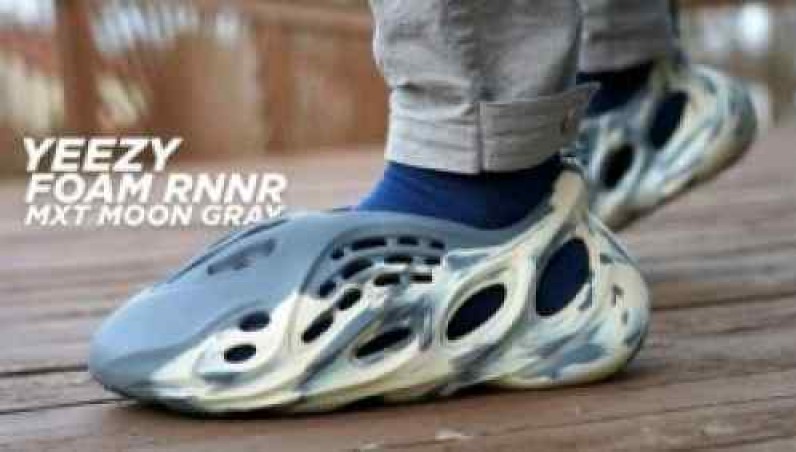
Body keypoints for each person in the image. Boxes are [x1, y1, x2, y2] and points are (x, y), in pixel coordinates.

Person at [88, 0, 756, 414]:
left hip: (496, 200)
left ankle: (485, 194)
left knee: (481, 162)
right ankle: (620, 73)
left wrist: (477, 139)